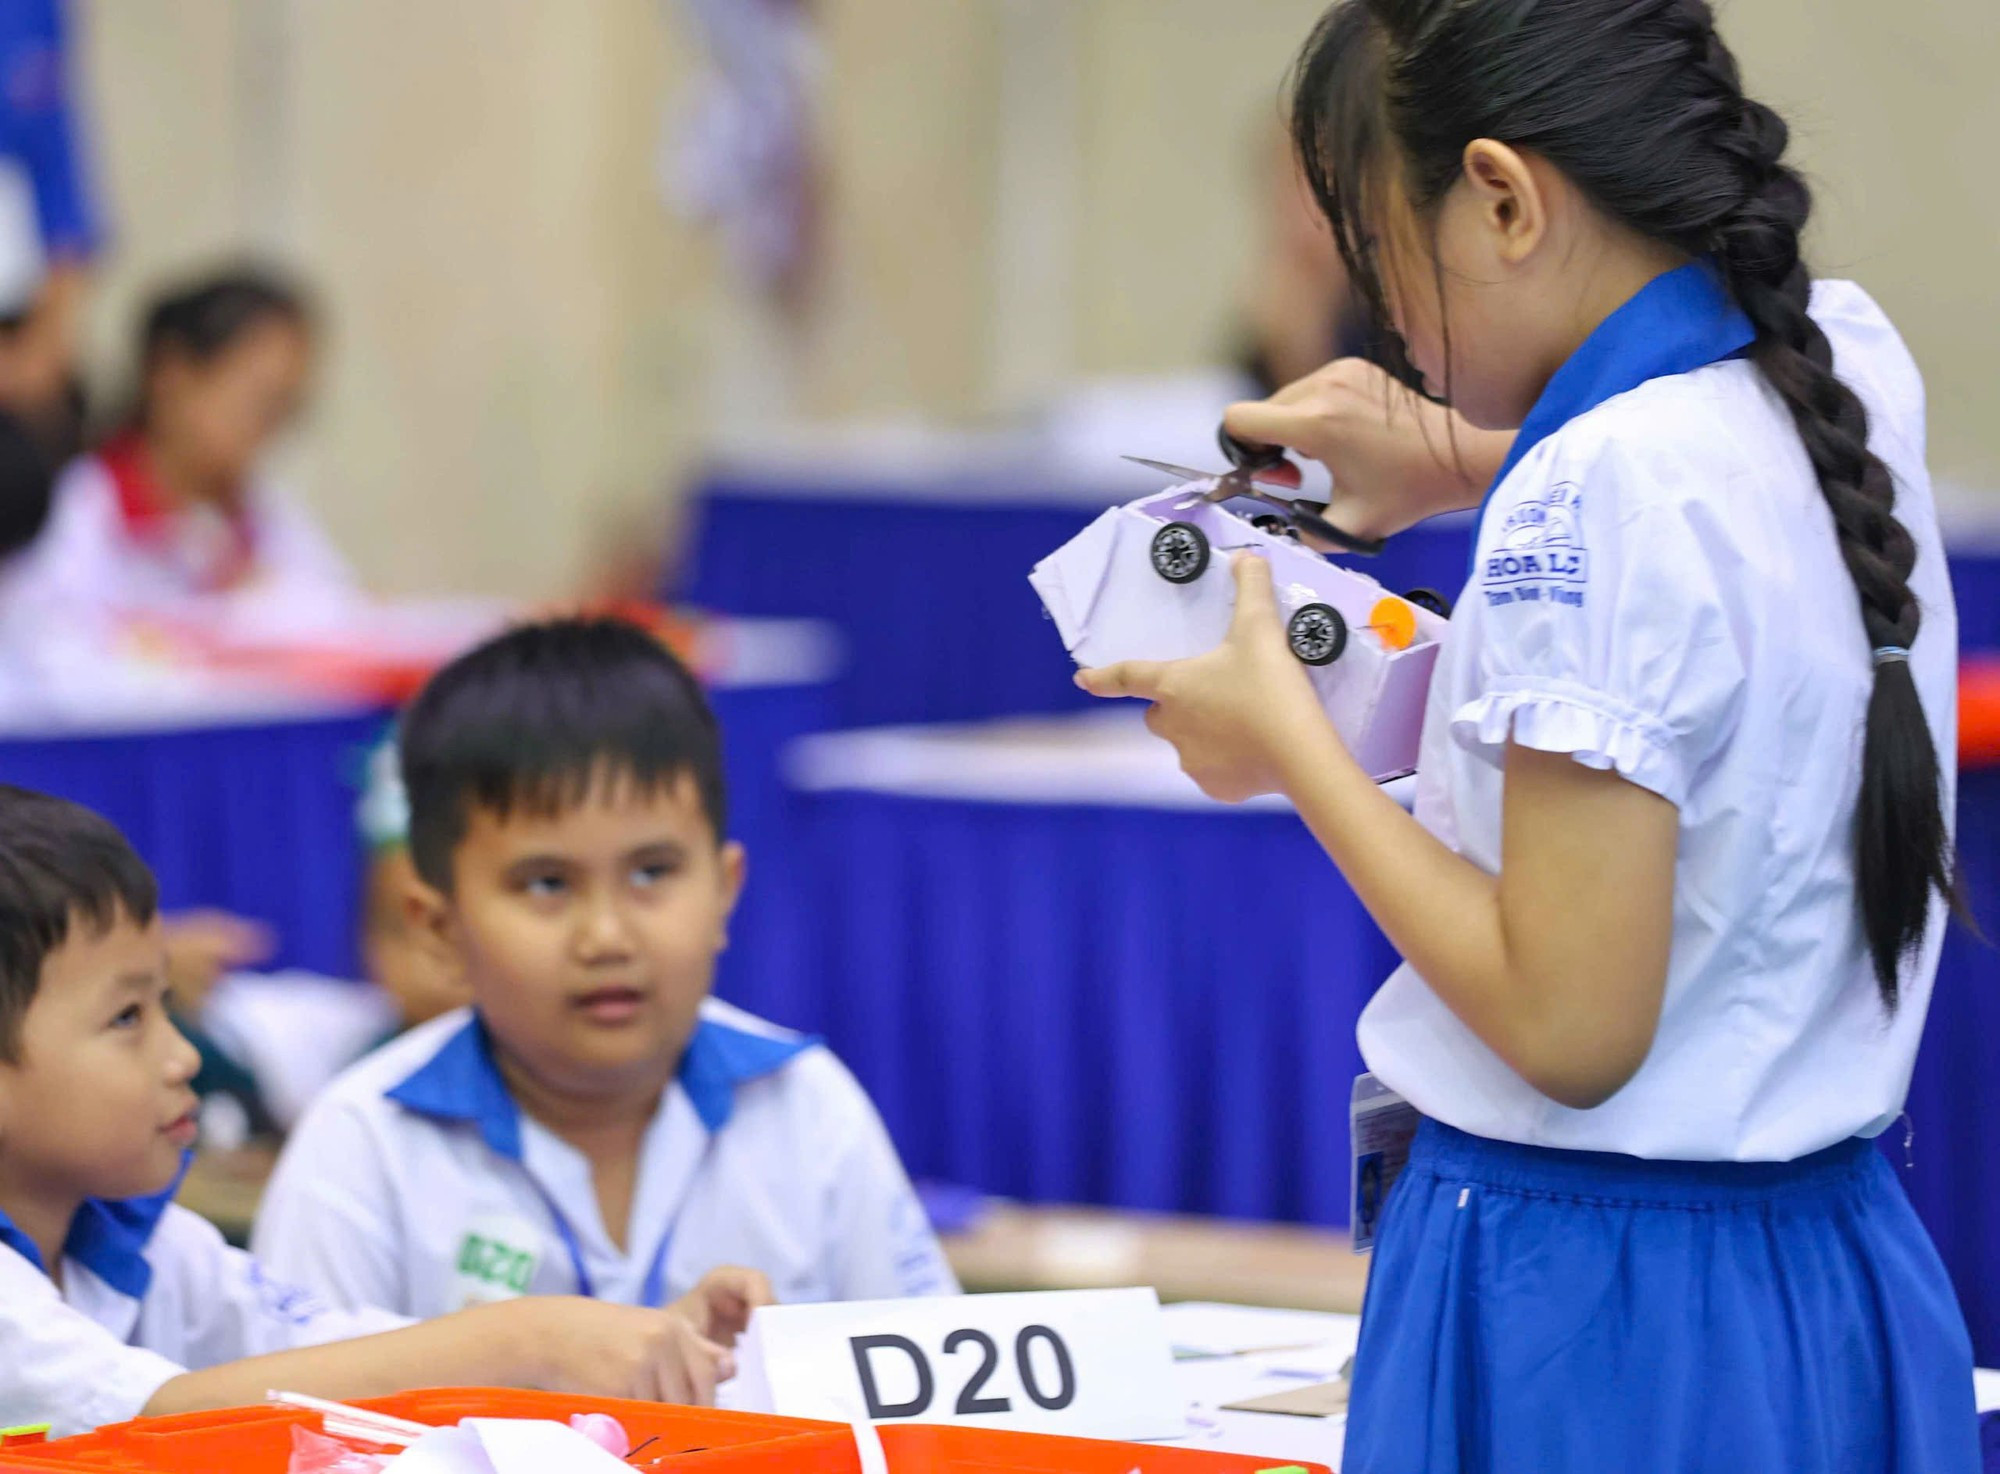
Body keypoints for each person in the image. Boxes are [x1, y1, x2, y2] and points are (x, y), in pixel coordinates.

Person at [1079, 1, 1976, 1469]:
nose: (1400, 335)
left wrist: (1289, 735)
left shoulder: (1594, 498)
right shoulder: (1843, 362)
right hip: (1828, 1263)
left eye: (1388, 268)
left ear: (1499, 197)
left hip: (1592, 1311)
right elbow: (1713, 496)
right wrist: (1458, 457)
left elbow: (1570, 1026)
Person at [0, 785, 775, 1438]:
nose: (185, 1058)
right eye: (127, 1019)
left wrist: (623, 1343)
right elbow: (159, 1426)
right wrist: (531, 1338)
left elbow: (323, 1353)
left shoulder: (145, 1238)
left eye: (168, 1007)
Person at [252, 616, 957, 1316]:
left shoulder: (807, 1108)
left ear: (723, 892)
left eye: (651, 873)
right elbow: (297, 1421)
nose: (607, 936)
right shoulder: (362, 1148)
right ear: (441, 929)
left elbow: (931, 1400)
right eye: (546, 884)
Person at [0, 265, 357, 706]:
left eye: (287, 408)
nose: (270, 429)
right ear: (172, 375)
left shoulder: (264, 515)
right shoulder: (76, 508)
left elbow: (340, 621)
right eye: (258, 401)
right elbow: (39, 656)